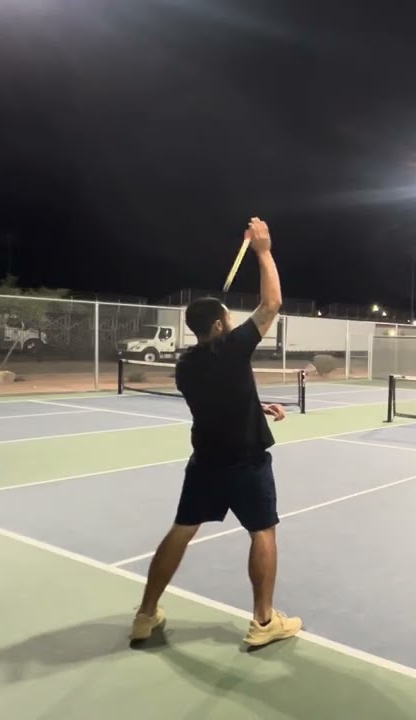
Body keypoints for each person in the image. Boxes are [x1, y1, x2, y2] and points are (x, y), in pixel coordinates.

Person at [129, 217, 302, 648]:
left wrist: (255, 405)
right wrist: (262, 250)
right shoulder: (232, 349)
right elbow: (272, 303)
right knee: (263, 533)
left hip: (205, 463)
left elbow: (220, 398)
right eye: (229, 317)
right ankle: (264, 623)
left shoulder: (186, 366)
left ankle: (145, 615)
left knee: (182, 529)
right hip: (246, 463)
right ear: (222, 326)